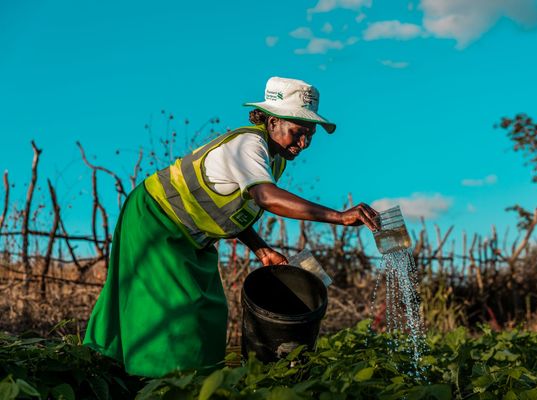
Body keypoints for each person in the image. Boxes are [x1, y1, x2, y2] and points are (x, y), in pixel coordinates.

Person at [83, 76, 380, 378]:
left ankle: (195, 384)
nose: (303, 143)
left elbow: (231, 208)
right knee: (176, 315)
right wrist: (339, 217)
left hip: (195, 237)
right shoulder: (248, 145)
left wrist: (261, 249)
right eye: (298, 132)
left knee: (210, 311)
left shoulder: (275, 160)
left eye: (310, 135)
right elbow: (265, 197)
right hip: (157, 220)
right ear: (273, 120)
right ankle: (155, 384)